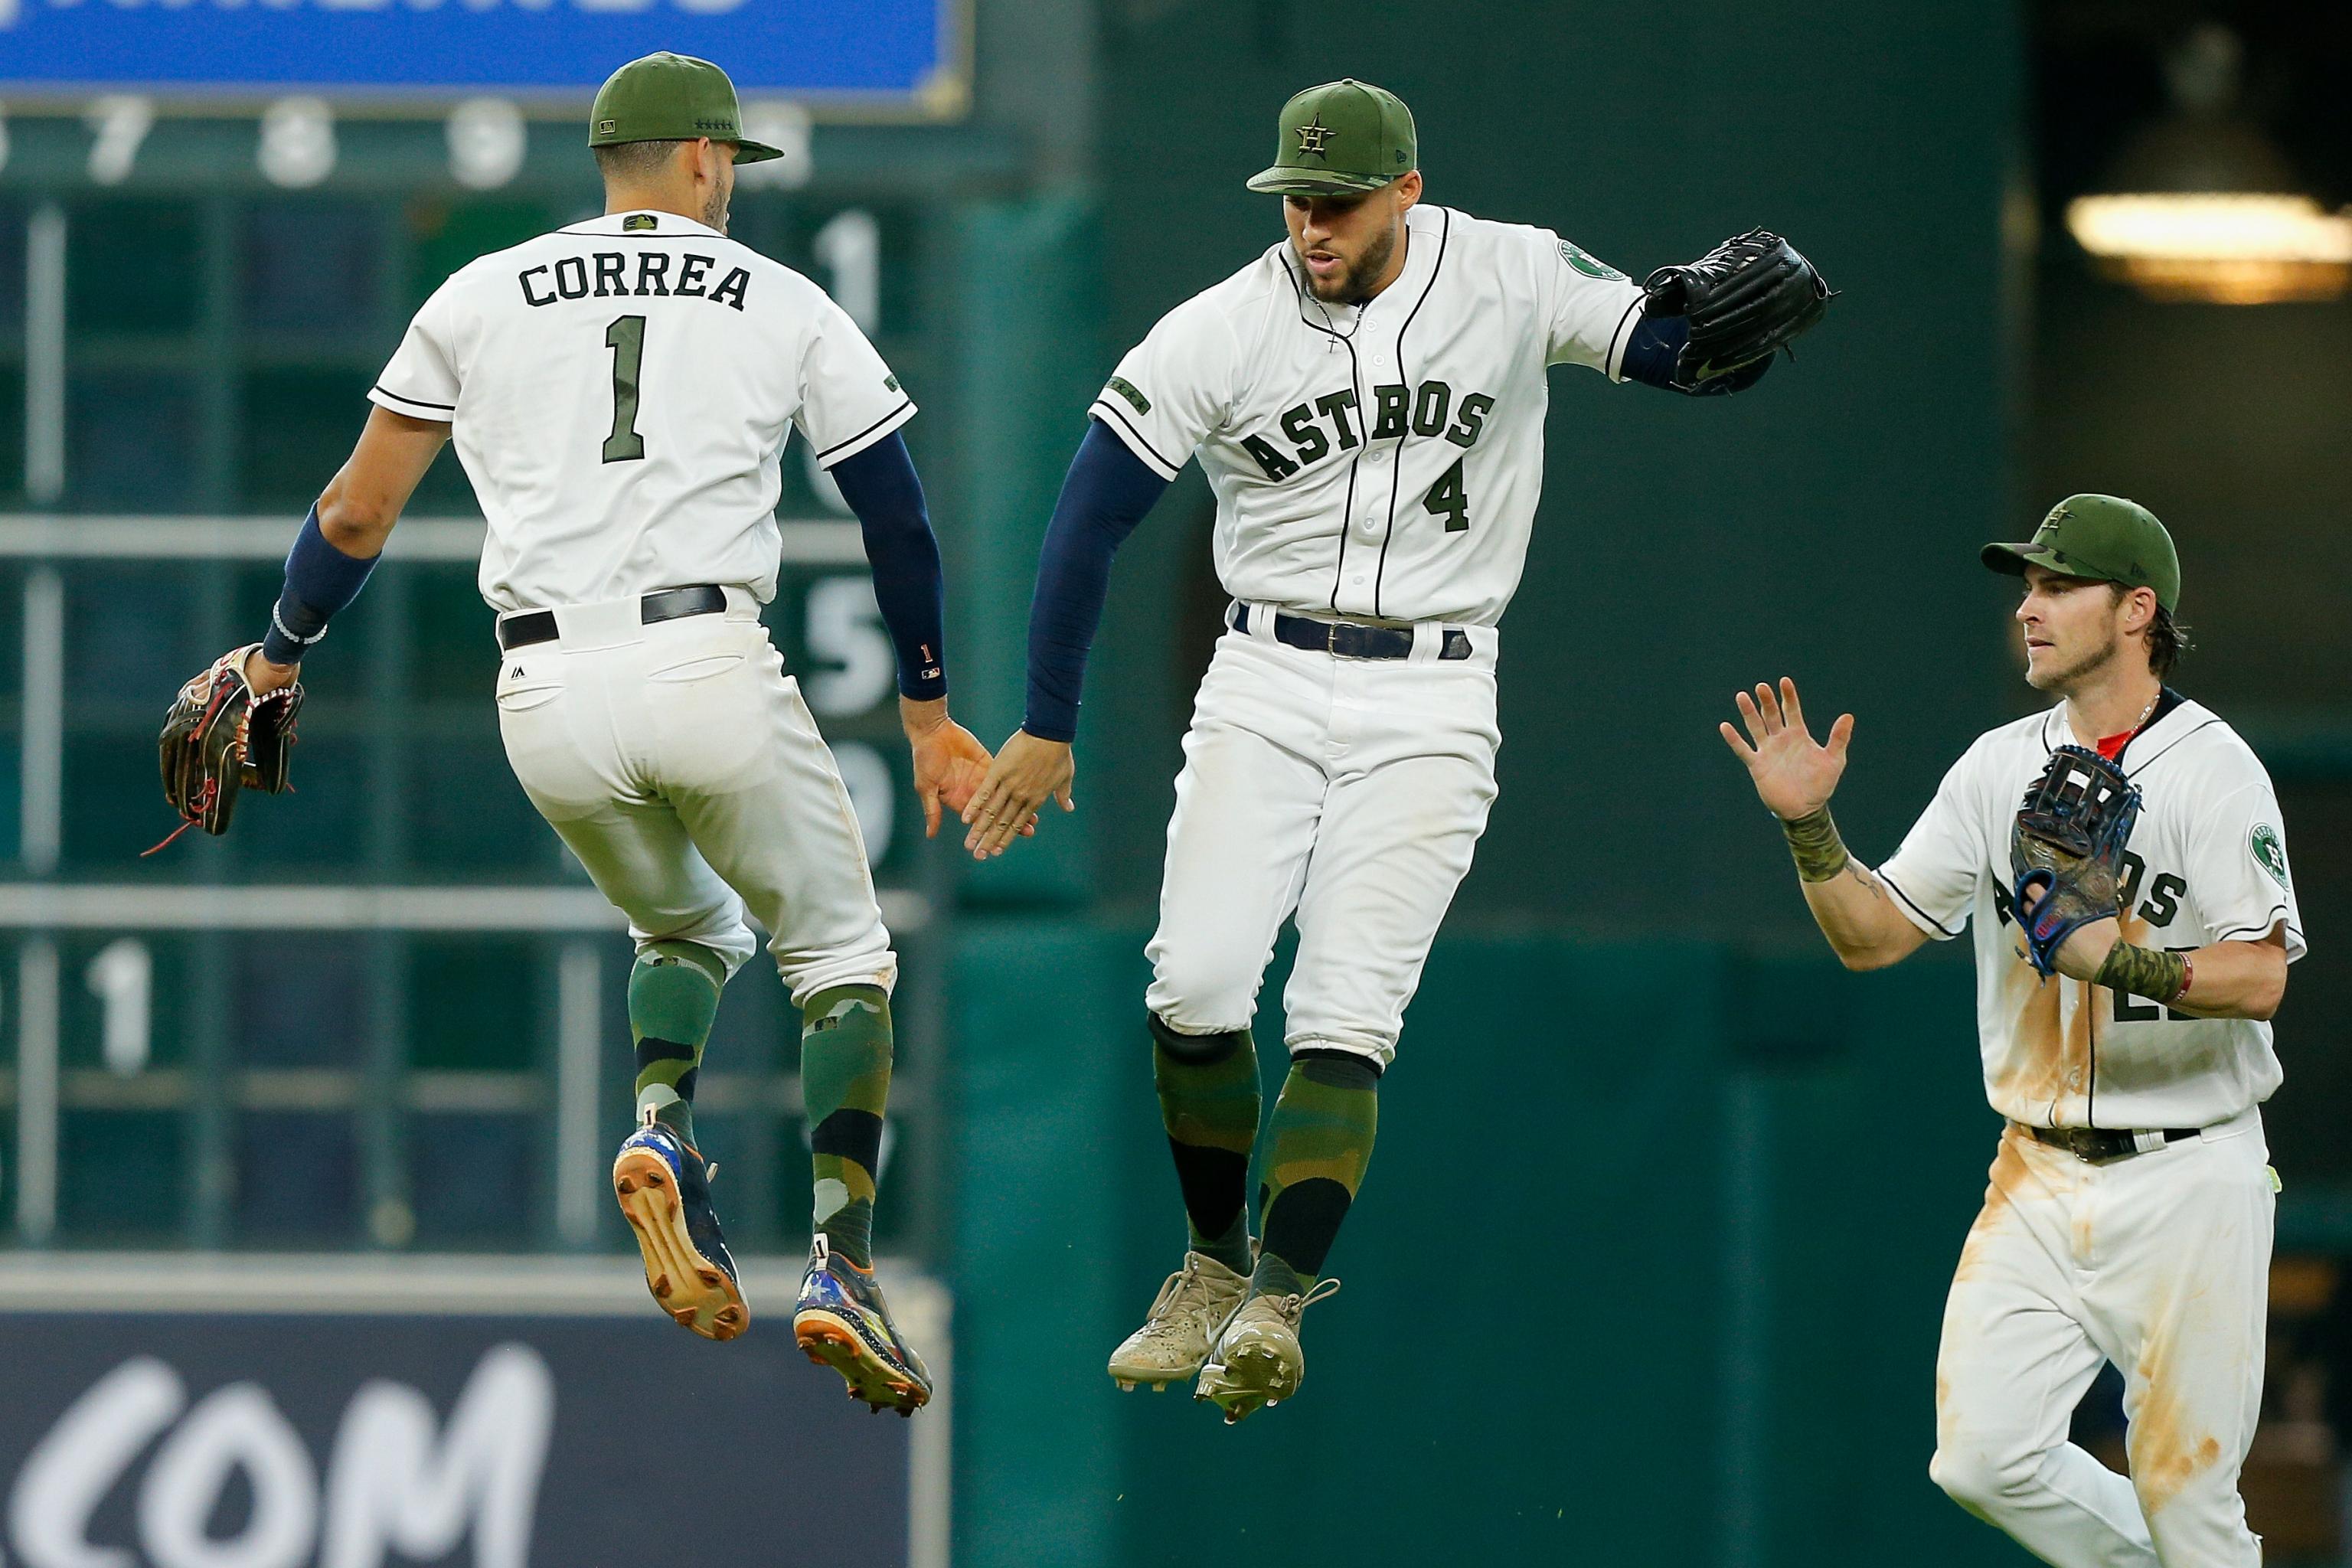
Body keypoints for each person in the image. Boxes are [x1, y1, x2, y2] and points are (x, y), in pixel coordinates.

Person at [957, 77, 1824, 1423]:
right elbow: (1087, 516)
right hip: (1264, 672)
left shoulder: (1513, 272)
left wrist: (1739, 341)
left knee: (1344, 1013)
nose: (1312, 223)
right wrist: (1048, 721)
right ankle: (1205, 1264)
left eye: (1340, 201)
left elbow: (1668, 350)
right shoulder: (1222, 328)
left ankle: (1281, 1301)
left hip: (1435, 691)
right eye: (1297, 198)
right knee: (1194, 982)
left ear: (1406, 189)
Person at [172, 53, 980, 1414]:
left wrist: (278, 648)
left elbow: (358, 513)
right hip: (705, 654)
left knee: (687, 929)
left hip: (542, 696)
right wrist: (927, 708)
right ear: (708, 162)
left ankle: (662, 1128)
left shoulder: (477, 294)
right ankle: (841, 1259)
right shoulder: (780, 298)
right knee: (843, 957)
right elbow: (893, 516)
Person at [1720, 494, 2304, 1564]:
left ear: (2137, 611)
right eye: (2026, 586)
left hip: (2190, 1173)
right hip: (2035, 1170)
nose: (2028, 608)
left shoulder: (2217, 770)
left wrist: (2111, 956)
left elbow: (2261, 974)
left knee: (2188, 1500)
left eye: (2057, 585)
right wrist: (1809, 826)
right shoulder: (1997, 767)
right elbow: (1873, 935)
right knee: (1982, 1459)